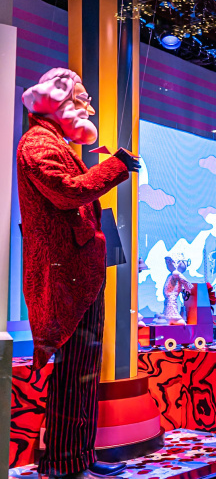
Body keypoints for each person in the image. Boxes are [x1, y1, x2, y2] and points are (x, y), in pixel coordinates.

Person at [17, 68, 140, 479]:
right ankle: (65, 464)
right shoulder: (38, 144)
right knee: (74, 374)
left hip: (77, 276)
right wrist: (115, 167)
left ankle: (77, 458)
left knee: (81, 373)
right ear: (58, 102)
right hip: (64, 277)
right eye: (80, 99)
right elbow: (68, 193)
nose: (87, 107)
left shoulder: (52, 143)